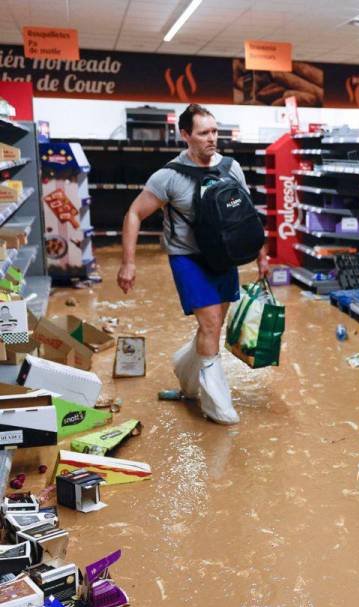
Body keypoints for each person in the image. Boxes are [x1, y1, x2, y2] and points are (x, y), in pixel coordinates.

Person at [116, 103, 268, 425]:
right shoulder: (168, 176)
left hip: (223, 256)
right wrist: (128, 263)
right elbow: (133, 213)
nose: (212, 138)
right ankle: (217, 405)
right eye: (203, 133)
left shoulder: (231, 168)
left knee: (212, 326)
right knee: (211, 324)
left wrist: (261, 254)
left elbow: (246, 216)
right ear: (185, 135)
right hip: (188, 258)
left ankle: (184, 373)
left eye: (215, 131)